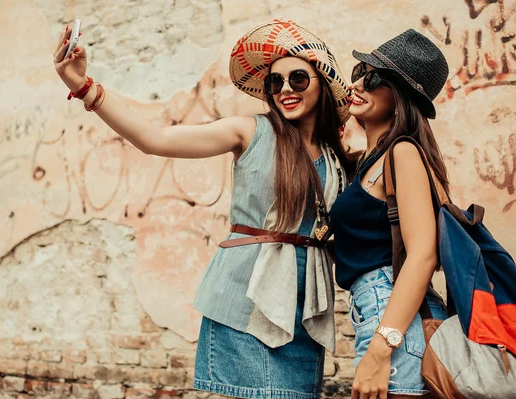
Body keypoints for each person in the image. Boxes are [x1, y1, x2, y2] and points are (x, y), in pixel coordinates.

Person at [53, 19, 352, 399]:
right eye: (275, 83)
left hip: (303, 312)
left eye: (297, 79)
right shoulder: (250, 130)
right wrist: (82, 85)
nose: (285, 90)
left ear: (321, 86)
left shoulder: (336, 156)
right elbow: (154, 138)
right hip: (245, 302)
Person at [329, 29, 451, 399]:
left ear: (401, 98)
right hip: (382, 309)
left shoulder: (403, 153)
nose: (361, 83)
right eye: (359, 71)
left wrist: (383, 348)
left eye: (376, 77)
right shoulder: (372, 160)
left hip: (391, 313)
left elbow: (423, 254)